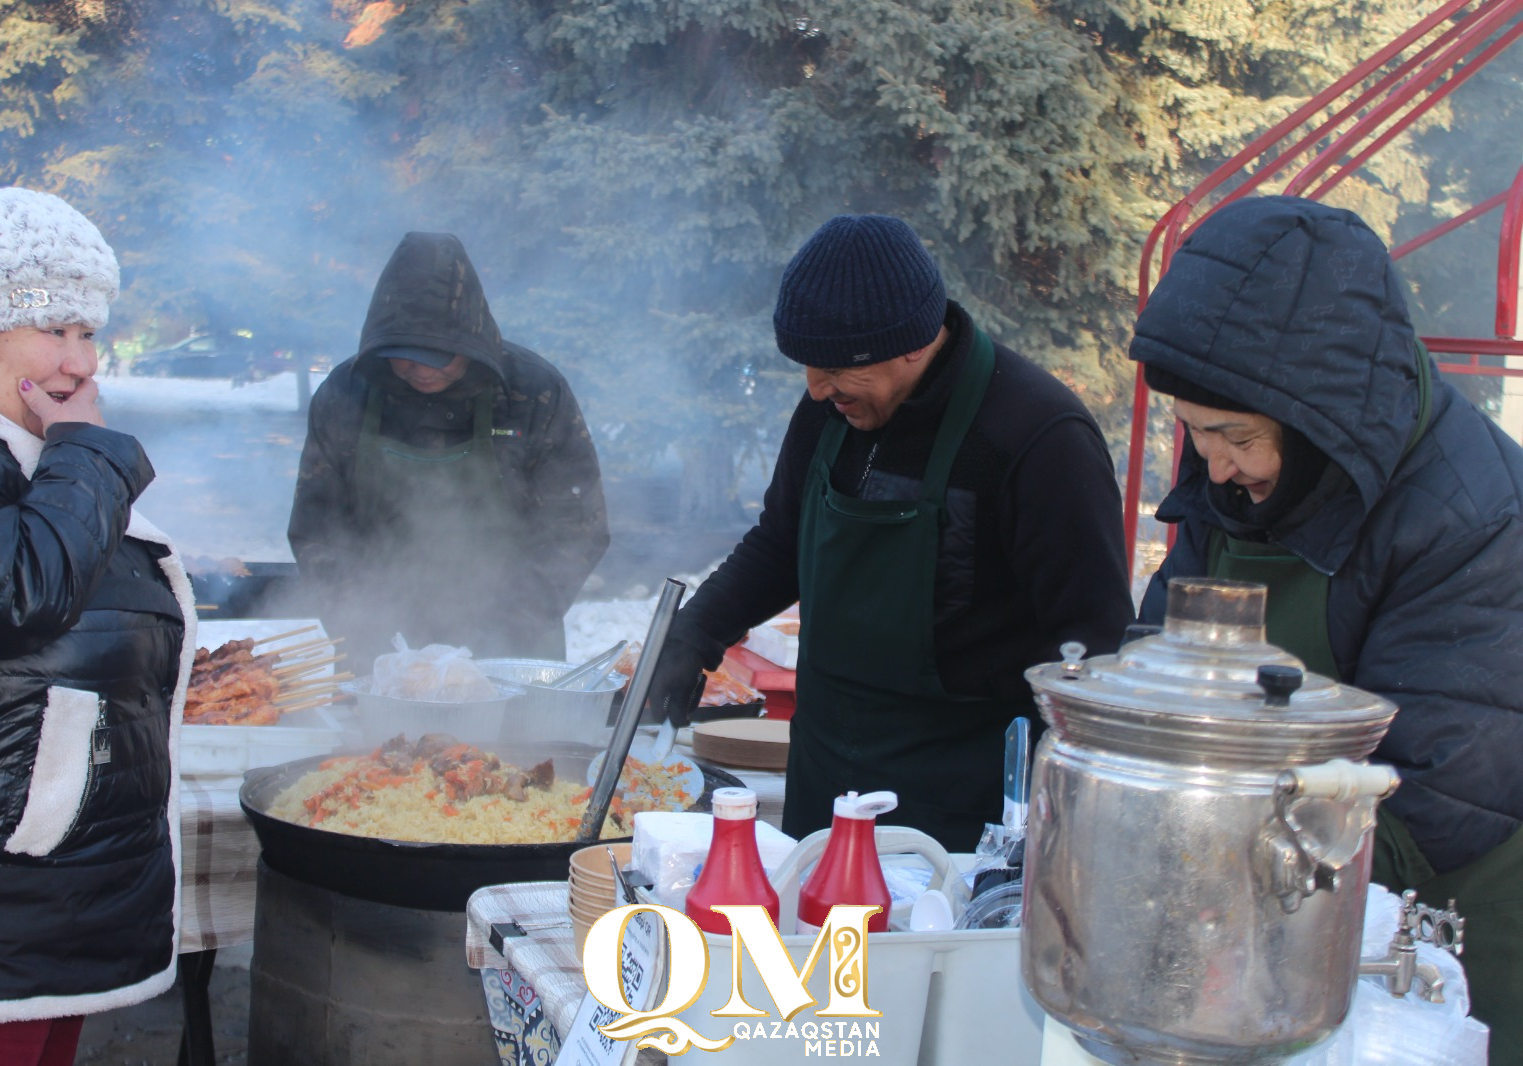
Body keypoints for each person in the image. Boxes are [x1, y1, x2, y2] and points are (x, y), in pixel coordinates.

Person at [1132, 195, 1523, 1057]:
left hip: (1433, 944)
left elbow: (1437, 801)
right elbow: (1162, 665)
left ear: (1319, 421)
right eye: (1194, 433)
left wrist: (1220, 878)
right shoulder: (1243, 483)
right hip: (1265, 917)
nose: (1212, 463)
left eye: (1232, 435)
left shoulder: (1473, 516)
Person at [645, 214, 1135, 851]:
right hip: (822, 791)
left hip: (960, 816)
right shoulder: (831, 411)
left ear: (913, 341)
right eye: (806, 368)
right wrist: (695, 631)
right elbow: (781, 541)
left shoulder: (1036, 437)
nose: (817, 390)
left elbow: (1095, 648)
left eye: (835, 371)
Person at [0, 188, 195, 1064]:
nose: (80, 360)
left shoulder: (18, 451)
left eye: (89, 330)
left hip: (38, 903)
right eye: (51, 327)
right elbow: (13, 595)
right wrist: (86, 449)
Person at [287, 231, 609, 668]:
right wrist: (362, 630)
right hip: (379, 650)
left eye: (438, 355)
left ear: (471, 343)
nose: (420, 370)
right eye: (403, 355)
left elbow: (575, 528)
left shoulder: (533, 393)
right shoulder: (346, 394)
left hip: (514, 651)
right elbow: (318, 529)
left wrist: (506, 631)